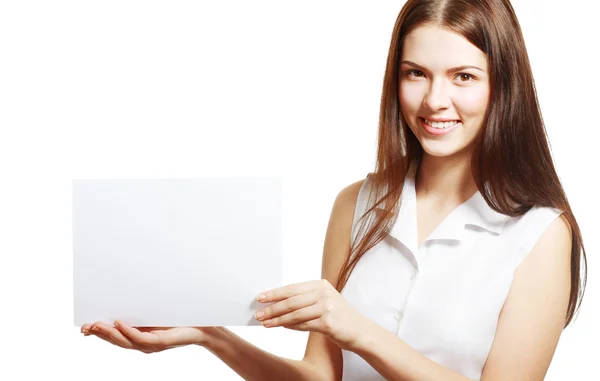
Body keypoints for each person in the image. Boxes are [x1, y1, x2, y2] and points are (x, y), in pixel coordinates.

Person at [81, 0, 587, 380]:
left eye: (464, 76)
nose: (435, 99)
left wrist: (357, 330)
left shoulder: (541, 232)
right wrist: (208, 334)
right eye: (416, 74)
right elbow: (321, 377)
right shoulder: (357, 203)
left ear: (503, 85)